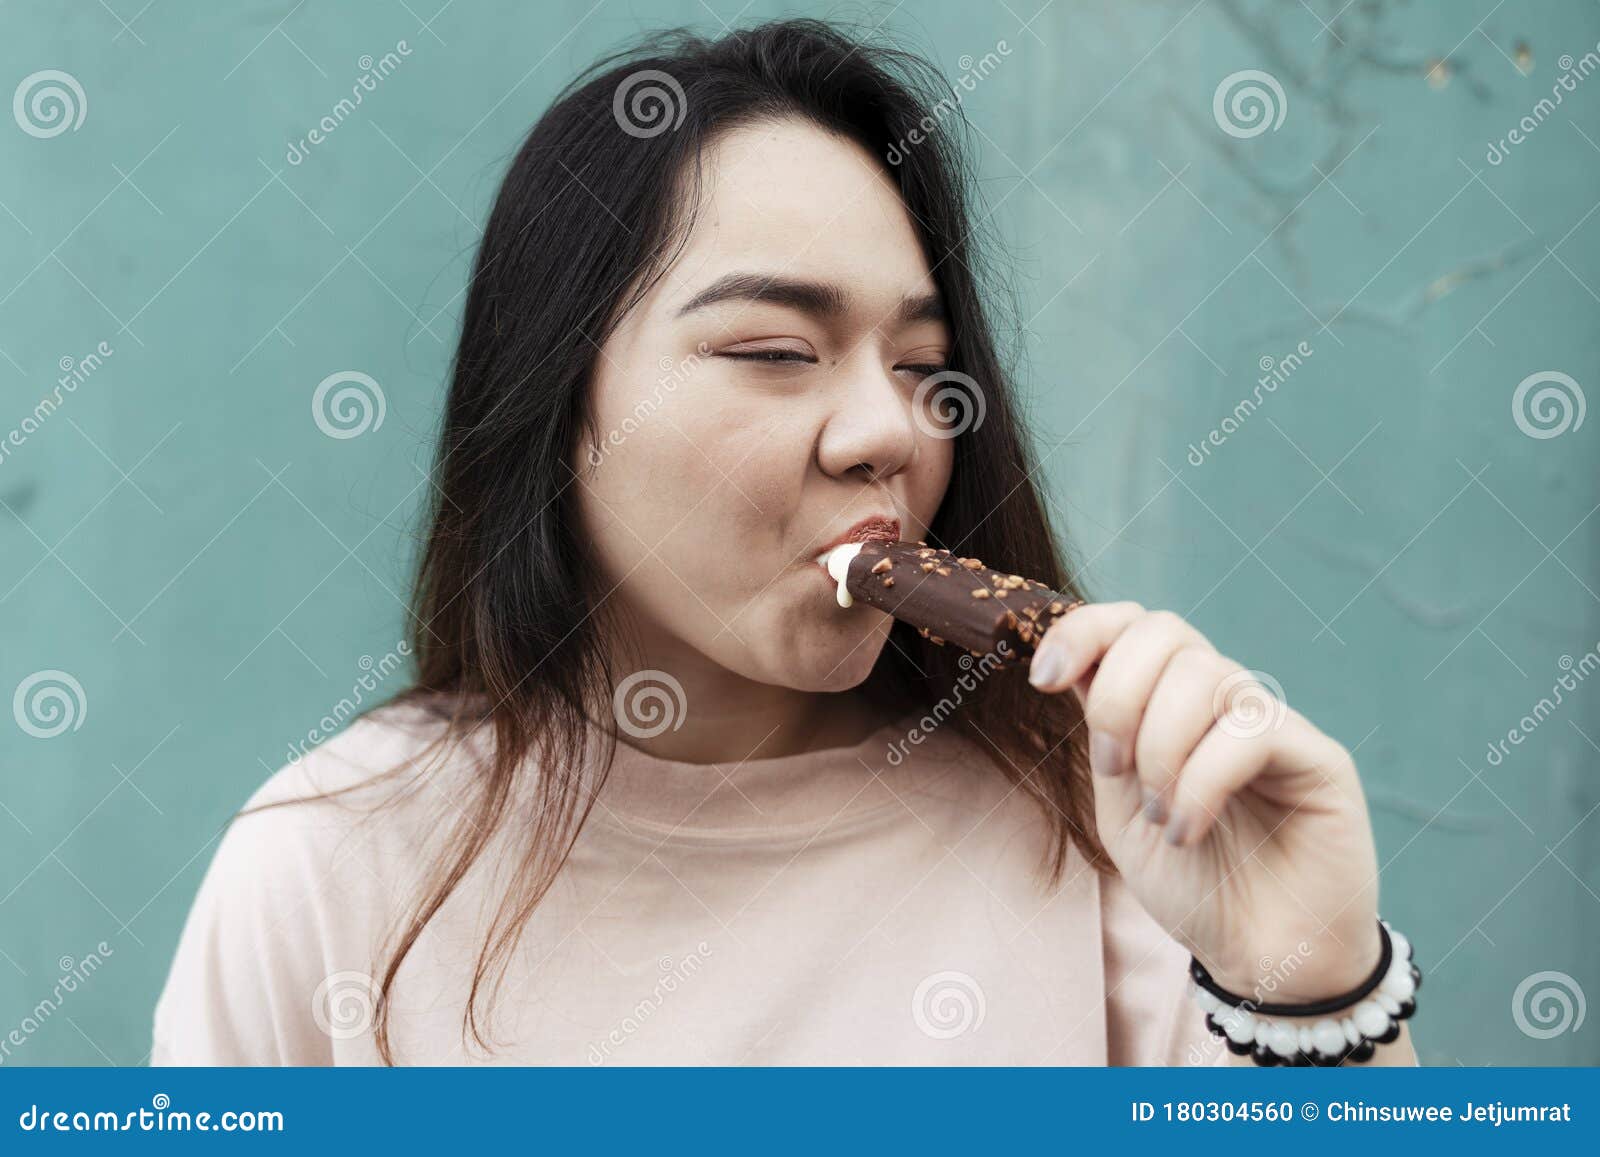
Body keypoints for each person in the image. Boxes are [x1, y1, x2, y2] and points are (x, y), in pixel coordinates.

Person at [153, 18, 1418, 1067]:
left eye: (926, 366)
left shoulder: (1114, 837)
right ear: (557, 404)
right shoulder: (330, 863)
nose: (892, 430)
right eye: (771, 350)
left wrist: (1303, 980)